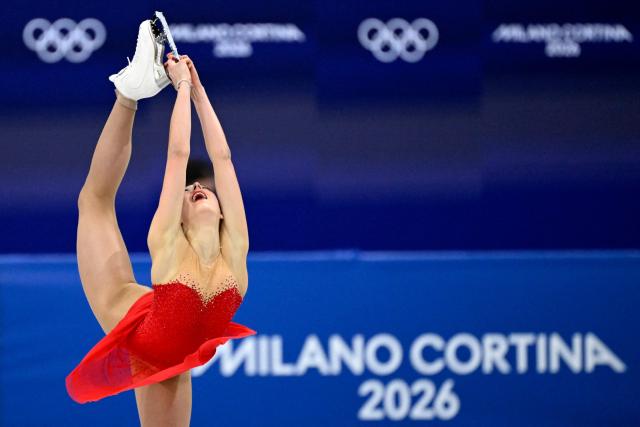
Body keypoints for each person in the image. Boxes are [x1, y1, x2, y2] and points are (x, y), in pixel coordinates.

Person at [65, 19, 255, 426]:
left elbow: (222, 160)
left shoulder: (236, 251)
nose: (192, 191)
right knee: (94, 202)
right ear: (179, 221)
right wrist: (181, 88)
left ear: (223, 210)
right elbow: (178, 154)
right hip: (134, 322)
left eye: (198, 190)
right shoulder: (167, 242)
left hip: (171, 356)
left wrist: (200, 93)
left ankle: (132, 88)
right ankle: (128, 95)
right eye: (185, 194)